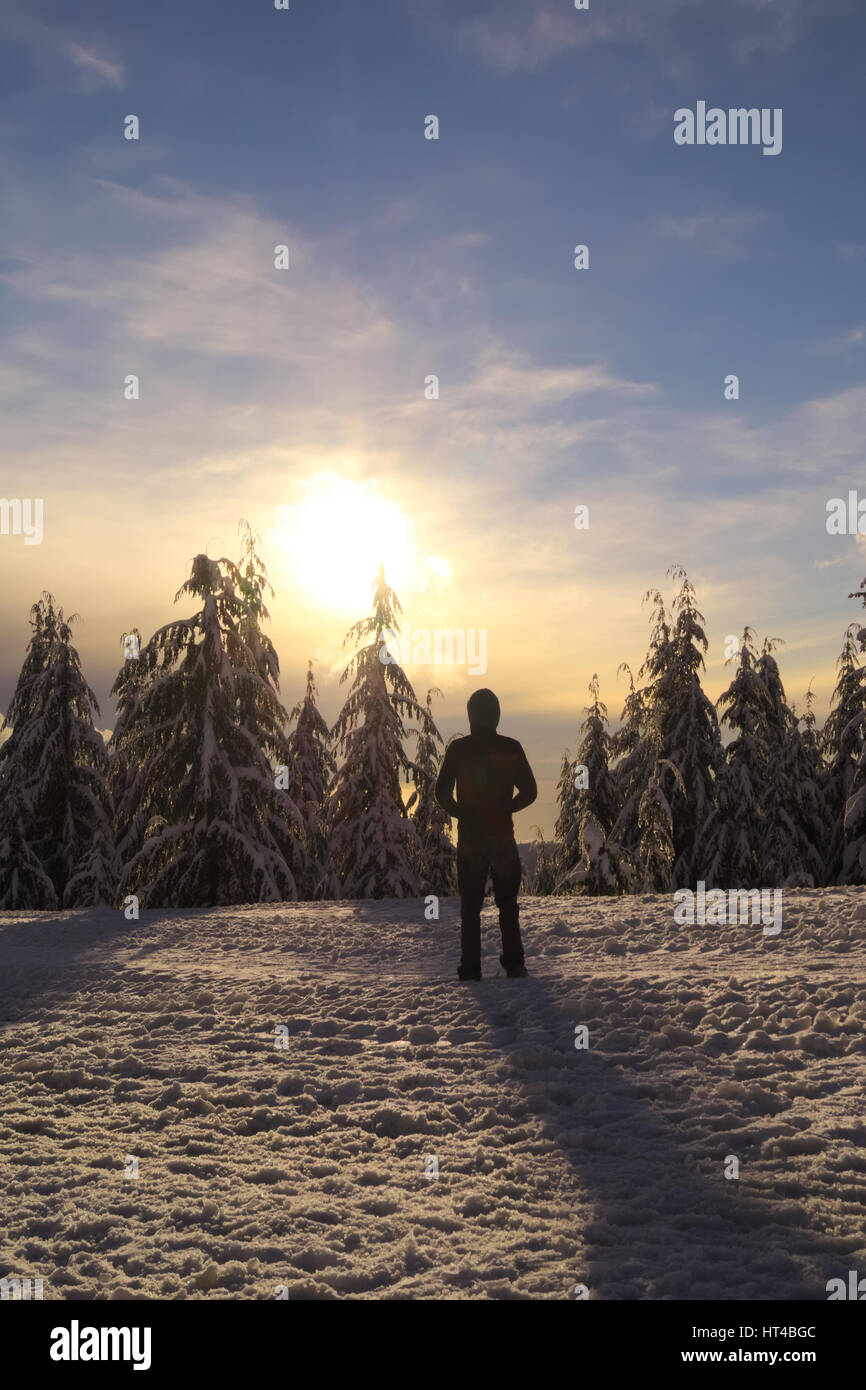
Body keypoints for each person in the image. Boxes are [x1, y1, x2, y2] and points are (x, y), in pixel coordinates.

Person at [434, 688, 537, 980]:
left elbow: (440, 792)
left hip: (470, 840)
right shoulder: (511, 748)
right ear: (497, 715)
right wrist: (507, 808)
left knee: (470, 907)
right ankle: (515, 964)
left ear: (470, 716)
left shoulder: (458, 749)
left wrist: (460, 812)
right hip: (502, 836)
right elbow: (531, 791)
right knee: (507, 904)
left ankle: (470, 968)